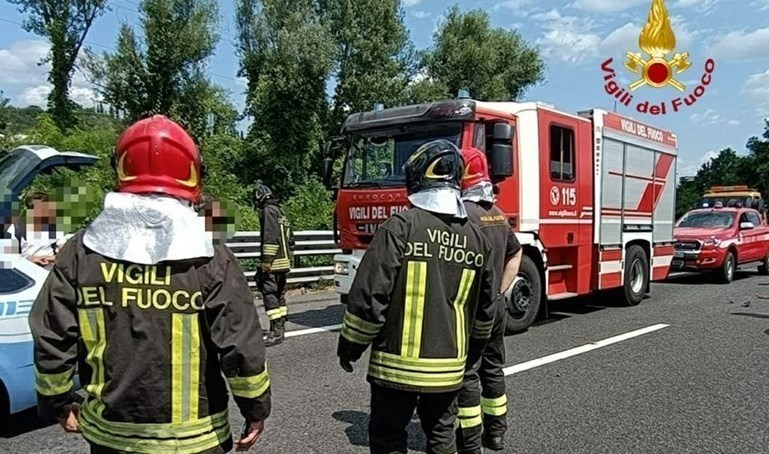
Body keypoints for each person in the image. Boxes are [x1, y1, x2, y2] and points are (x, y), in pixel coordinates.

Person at [29, 115, 271, 454]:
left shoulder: (81, 252)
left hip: (111, 438)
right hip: (195, 443)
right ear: (191, 173)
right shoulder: (211, 256)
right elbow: (240, 345)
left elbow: (53, 334)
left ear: (122, 169)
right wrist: (255, 410)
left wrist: (57, 401)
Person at [337, 139, 498, 454]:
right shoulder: (477, 239)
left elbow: (369, 299)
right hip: (450, 369)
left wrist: (351, 347)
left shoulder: (400, 227)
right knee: (441, 437)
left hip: (395, 369)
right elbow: (485, 310)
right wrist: (472, 354)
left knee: (388, 436)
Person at [455, 147, 523, 453]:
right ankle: (496, 433)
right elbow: (515, 251)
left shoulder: (463, 216)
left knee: (468, 372)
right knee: (493, 368)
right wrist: (501, 288)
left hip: (470, 309)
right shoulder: (496, 215)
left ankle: (469, 440)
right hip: (495, 306)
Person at [253, 184, 294, 347]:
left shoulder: (269, 211)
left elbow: (270, 236)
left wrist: (266, 261)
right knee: (280, 295)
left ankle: (276, 331)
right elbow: (291, 239)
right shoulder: (281, 212)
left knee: (269, 293)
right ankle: (281, 325)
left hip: (274, 262)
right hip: (284, 262)